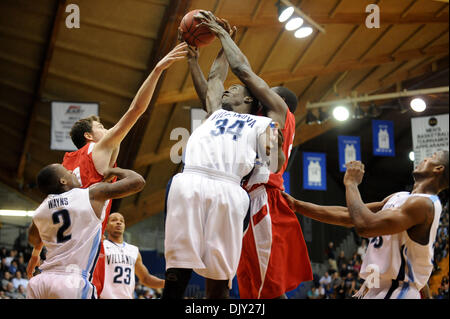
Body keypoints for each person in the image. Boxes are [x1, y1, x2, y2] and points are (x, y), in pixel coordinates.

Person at [189, 10, 312, 299]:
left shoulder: (279, 112)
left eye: (266, 90)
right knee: (240, 281)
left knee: (265, 287)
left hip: (261, 197)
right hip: (238, 196)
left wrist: (222, 35)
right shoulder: (247, 120)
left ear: (276, 98)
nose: (260, 90)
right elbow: (210, 95)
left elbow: (243, 71)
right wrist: (197, 59)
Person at [163, 33, 285, 298]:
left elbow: (276, 163)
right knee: (177, 266)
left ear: (251, 100)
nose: (229, 88)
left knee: (219, 277)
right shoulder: (215, 111)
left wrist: (274, 147)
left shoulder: (265, 122)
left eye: (237, 88)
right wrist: (200, 58)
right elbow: (215, 79)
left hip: (229, 188)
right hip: (190, 180)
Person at [61, 42, 187, 296]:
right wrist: (158, 70)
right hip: (86, 240)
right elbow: (136, 110)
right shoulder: (98, 148)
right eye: (101, 127)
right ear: (89, 136)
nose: (106, 129)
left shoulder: (67, 162)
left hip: (62, 243)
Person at [282, 151, 449, 299]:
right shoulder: (400, 197)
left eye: (431, 157)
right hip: (376, 287)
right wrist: (297, 205)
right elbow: (349, 216)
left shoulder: (424, 205)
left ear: (438, 169)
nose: (425, 158)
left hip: (397, 291)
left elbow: (365, 226)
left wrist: (351, 184)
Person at [25, 164, 145, 299]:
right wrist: (114, 171)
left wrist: (36, 253)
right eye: (67, 172)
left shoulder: (40, 211)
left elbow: (34, 239)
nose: (72, 171)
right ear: (63, 181)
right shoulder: (91, 194)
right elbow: (138, 181)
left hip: (40, 281)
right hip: (71, 281)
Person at [100, 212, 164, 299]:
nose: (119, 222)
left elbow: (145, 279)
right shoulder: (101, 246)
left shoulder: (134, 250)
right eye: (114, 220)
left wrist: (168, 283)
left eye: (121, 221)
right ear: (106, 226)